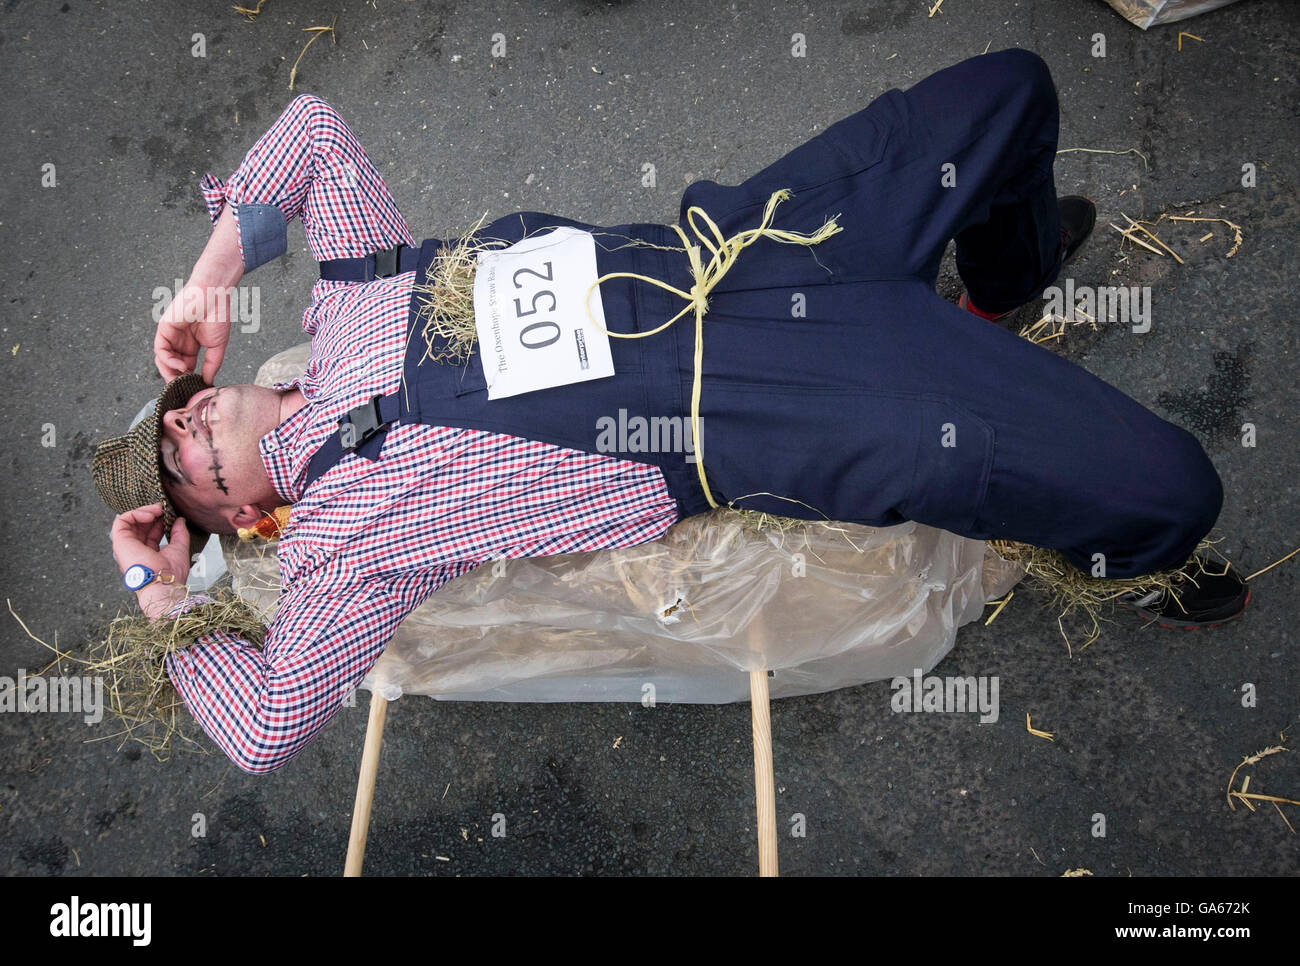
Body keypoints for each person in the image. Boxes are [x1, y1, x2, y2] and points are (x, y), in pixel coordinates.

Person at [92, 49, 1249, 774]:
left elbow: (314, 133)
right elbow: (261, 730)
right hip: (769, 404)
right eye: (183, 467)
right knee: (1170, 493)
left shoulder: (350, 290)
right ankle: (1140, 565)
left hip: (751, 245)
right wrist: (160, 591)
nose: (184, 428)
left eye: (179, 413)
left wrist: (210, 274)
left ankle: (1000, 293)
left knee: (1009, 89)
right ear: (245, 513)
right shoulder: (343, 542)